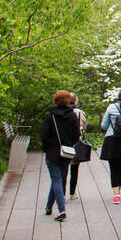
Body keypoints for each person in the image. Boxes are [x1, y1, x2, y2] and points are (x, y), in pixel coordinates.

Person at [40, 91, 81, 222]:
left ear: (55, 101)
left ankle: (62, 210)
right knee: (57, 179)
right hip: (67, 152)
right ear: (68, 101)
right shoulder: (73, 116)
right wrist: (70, 144)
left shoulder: (50, 116)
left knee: (56, 179)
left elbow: (44, 135)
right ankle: (48, 208)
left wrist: (46, 148)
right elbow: (76, 135)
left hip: (52, 153)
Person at [67, 94, 88, 200]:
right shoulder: (79, 112)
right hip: (76, 142)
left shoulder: (63, 112)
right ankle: (72, 193)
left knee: (64, 168)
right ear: (75, 101)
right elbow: (84, 126)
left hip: (65, 142)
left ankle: (61, 191)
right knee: (74, 168)